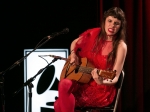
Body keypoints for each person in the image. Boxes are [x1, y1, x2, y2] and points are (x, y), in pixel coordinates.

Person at [54, 7, 127, 112]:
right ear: (104, 21)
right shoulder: (95, 34)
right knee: (63, 84)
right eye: (109, 21)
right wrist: (73, 54)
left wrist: (101, 81)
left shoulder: (121, 46)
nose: (112, 26)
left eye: (116, 23)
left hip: (101, 89)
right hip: (83, 81)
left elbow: (115, 77)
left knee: (58, 105)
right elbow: (75, 42)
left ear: (120, 26)